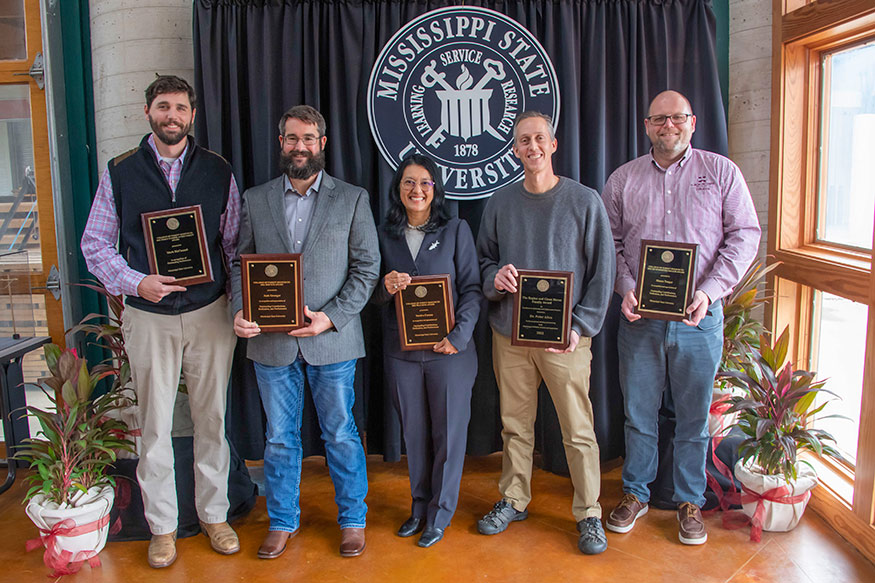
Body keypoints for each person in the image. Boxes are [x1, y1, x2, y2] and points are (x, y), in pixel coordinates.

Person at [81, 75, 241, 568]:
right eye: (163, 106)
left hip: (209, 313)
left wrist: (235, 306)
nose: (173, 115)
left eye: (181, 108)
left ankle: (214, 516)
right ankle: (163, 528)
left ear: (193, 115)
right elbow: (95, 246)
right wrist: (135, 282)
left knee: (212, 420)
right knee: (153, 426)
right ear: (147, 111)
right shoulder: (121, 172)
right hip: (148, 316)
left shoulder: (217, 170)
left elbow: (232, 246)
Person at [601, 90, 761, 545]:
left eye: (677, 118)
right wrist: (626, 287)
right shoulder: (623, 179)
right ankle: (635, 493)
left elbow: (745, 236)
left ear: (692, 122)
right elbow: (608, 243)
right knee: (638, 414)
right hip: (640, 321)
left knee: (693, 418)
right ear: (646, 125)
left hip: (699, 321)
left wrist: (709, 293)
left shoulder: (721, 172)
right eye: (658, 119)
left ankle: (690, 500)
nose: (667, 126)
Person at [230, 105, 380, 559]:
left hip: (332, 341)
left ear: (322, 144)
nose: (300, 146)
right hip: (270, 343)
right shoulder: (255, 199)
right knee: (278, 438)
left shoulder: (352, 198)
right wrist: (240, 309)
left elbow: (367, 269)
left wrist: (330, 317)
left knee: (341, 433)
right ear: (281, 143)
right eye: (292, 138)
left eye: (309, 138)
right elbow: (240, 266)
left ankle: (353, 520)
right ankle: (282, 521)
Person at [475, 111, 615, 555]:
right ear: (514, 149)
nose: (531, 147)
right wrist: (495, 279)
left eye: (539, 139)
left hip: (565, 339)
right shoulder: (499, 202)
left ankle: (589, 512)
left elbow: (602, 274)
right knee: (515, 426)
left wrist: (581, 326)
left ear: (553, 145)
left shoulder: (584, 200)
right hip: (510, 337)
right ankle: (514, 499)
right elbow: (483, 263)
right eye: (523, 141)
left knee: (577, 429)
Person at [372, 154, 481, 548]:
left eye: (424, 183)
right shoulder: (383, 234)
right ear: (397, 189)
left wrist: (459, 335)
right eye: (408, 183)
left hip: (450, 352)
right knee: (414, 436)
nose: (416, 190)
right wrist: (385, 288)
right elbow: (370, 295)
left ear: (435, 189)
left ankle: (440, 514)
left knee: (448, 435)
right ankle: (418, 508)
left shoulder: (455, 230)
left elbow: (471, 289)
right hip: (401, 352)